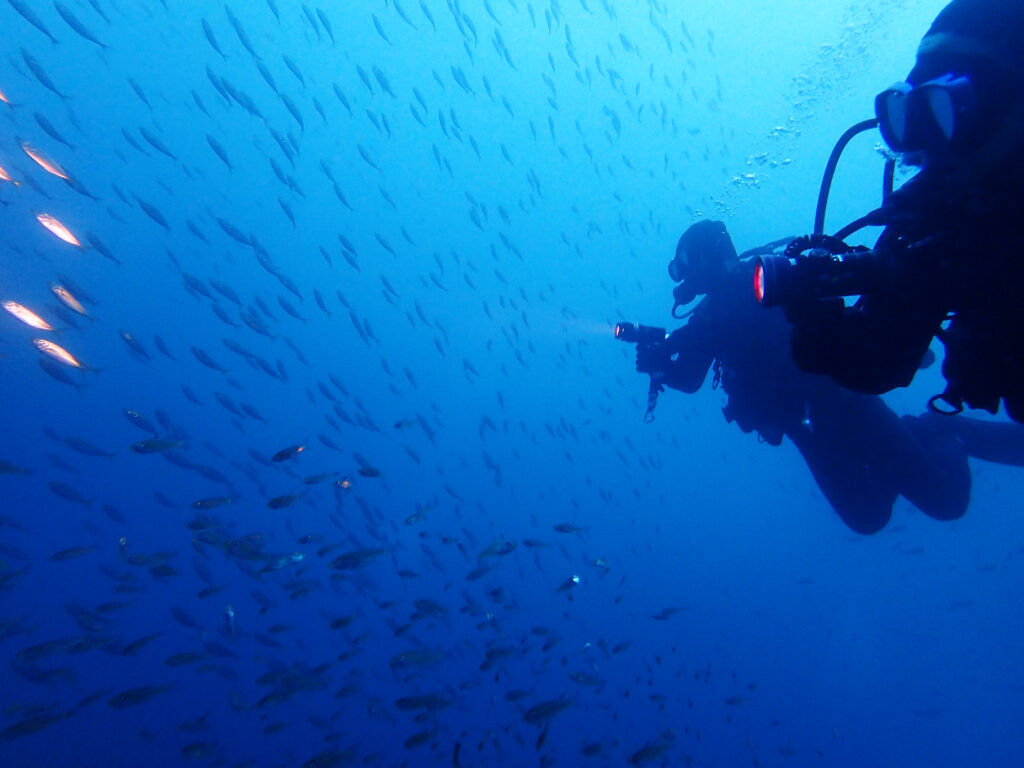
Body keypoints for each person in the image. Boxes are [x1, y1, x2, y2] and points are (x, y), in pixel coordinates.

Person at [634, 219, 1024, 534]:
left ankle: (941, 430)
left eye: (685, 264)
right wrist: (658, 363)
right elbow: (689, 376)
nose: (683, 278)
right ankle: (913, 442)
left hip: (844, 403)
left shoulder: (764, 280)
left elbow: (692, 370)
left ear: (707, 259)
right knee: (868, 517)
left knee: (945, 499)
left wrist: (661, 360)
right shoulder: (711, 313)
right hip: (800, 427)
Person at [779, 0, 1024, 421]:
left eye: (946, 110)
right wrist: (819, 327)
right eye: (908, 114)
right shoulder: (936, 208)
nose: (924, 144)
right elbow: (876, 363)